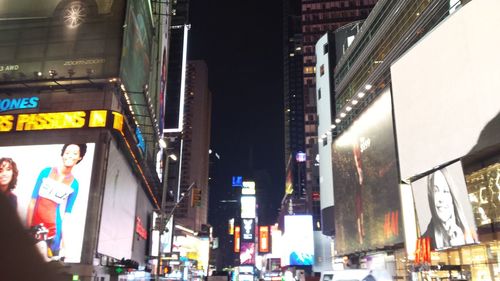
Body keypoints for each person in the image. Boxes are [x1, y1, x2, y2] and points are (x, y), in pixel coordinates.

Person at [26, 143, 87, 259]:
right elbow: (32, 202)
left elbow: (67, 216)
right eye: (67, 152)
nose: (70, 156)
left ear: (80, 157)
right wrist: (28, 229)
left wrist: (65, 247)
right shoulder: (46, 172)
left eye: (75, 153)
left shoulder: (74, 184)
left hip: (54, 231)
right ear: (62, 154)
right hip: (35, 227)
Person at [423, 168, 477, 249]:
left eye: (445, 191)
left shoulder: (470, 233)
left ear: (452, 196)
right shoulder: (424, 241)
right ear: (430, 196)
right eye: (435, 191)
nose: (441, 199)